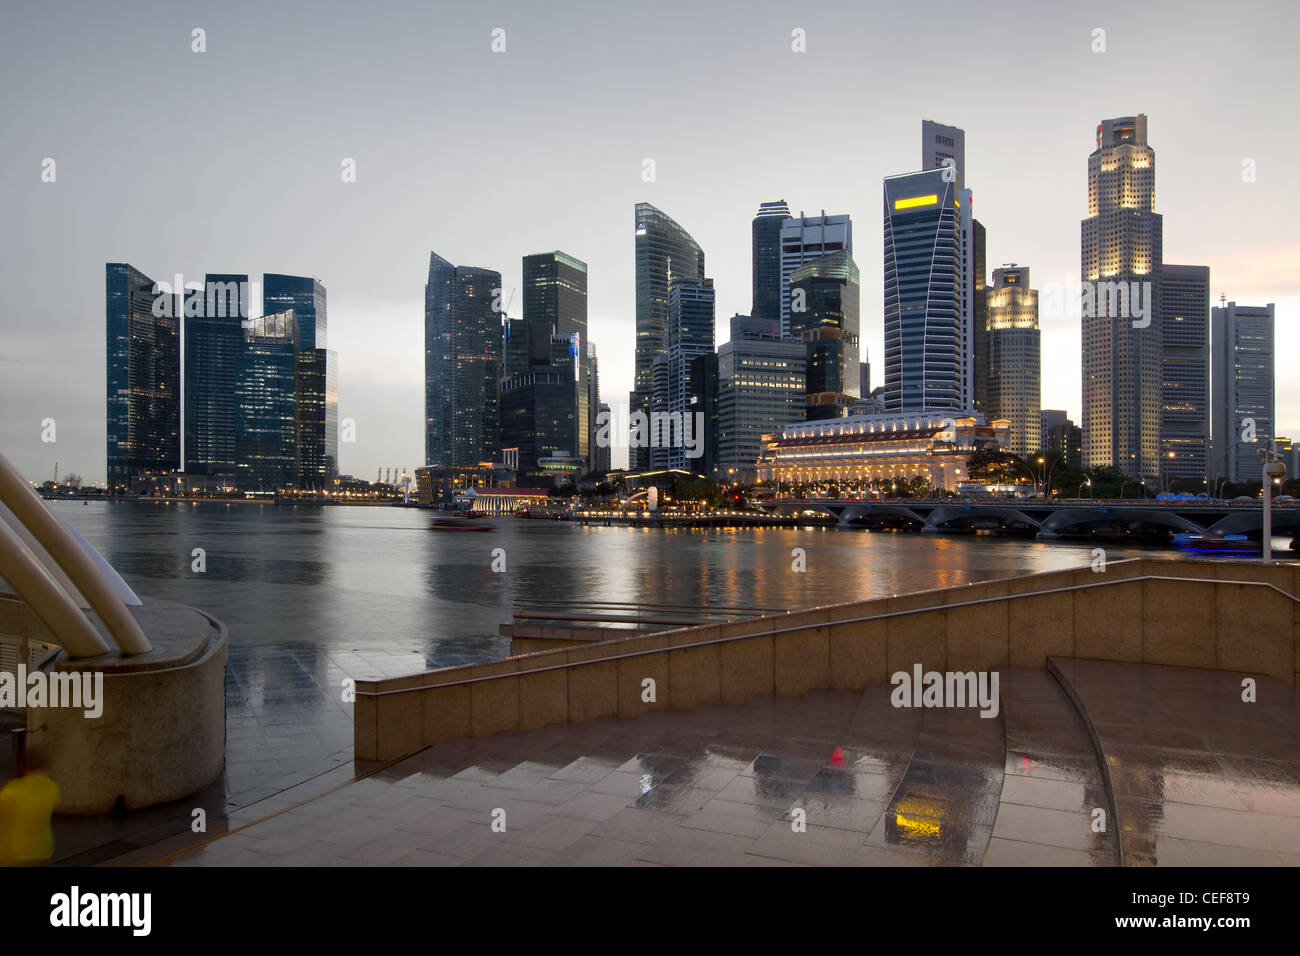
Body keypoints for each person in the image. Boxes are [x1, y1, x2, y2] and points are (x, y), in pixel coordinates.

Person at [0, 731, 60, 866]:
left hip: (12, 856)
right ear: (47, 765)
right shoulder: (52, 789)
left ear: (23, 766)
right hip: (41, 852)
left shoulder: (11, 791)